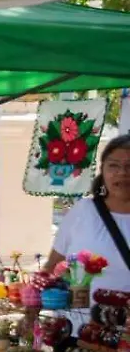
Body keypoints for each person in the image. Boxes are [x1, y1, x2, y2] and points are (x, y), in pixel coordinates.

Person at [37, 135, 130, 332]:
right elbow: (53, 265)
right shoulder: (83, 211)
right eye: (114, 166)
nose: (123, 173)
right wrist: (31, 312)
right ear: (102, 171)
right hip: (77, 331)